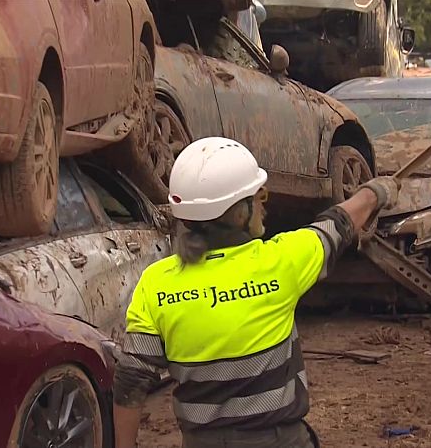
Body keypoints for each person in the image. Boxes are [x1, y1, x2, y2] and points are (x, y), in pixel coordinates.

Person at [112, 137, 401, 448]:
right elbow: (339, 224)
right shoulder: (281, 263)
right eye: (258, 195)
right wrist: (377, 192)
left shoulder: (157, 282)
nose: (264, 203)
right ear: (237, 214)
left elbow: (131, 381)